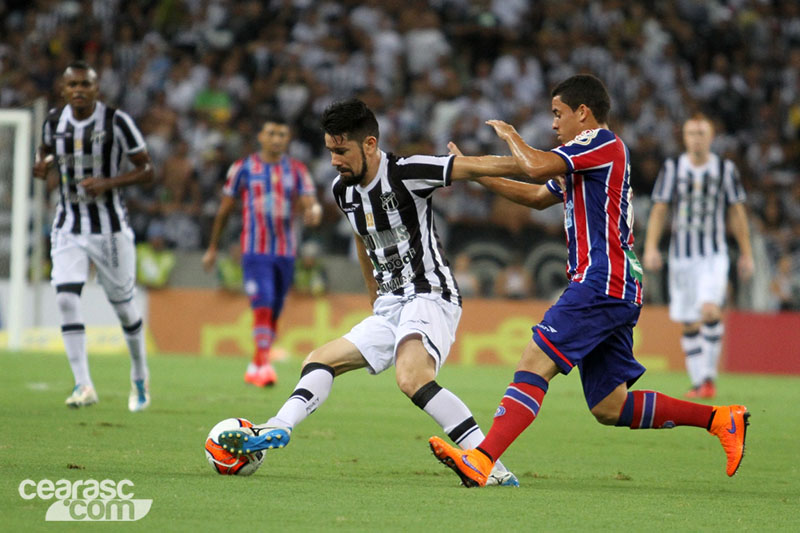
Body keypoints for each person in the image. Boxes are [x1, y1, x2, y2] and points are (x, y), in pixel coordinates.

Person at [428, 74, 750, 488]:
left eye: (557, 113)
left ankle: (482, 458)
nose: (553, 124)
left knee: (534, 361)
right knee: (609, 406)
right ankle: (720, 419)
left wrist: (510, 135)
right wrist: (476, 175)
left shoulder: (600, 142)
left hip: (601, 280)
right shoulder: (585, 156)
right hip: (616, 284)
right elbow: (536, 196)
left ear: (583, 113)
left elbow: (534, 165)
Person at [217, 98, 528, 485]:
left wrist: (543, 164)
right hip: (391, 303)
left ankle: (491, 466)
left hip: (430, 293)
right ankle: (278, 425)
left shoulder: (407, 172)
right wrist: (375, 298)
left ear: (369, 144)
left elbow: (478, 166)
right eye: (330, 151)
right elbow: (362, 240)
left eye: (341, 151)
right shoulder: (343, 190)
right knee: (319, 359)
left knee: (411, 377)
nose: (334, 161)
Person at [32, 61, 154, 411]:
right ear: (63, 89)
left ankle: (139, 374)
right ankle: (83, 384)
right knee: (65, 298)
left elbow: (147, 169)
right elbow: (45, 150)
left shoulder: (117, 121)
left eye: (85, 84)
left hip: (109, 228)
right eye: (73, 85)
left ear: (96, 88)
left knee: (124, 308)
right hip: (68, 223)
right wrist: (42, 164)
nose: (79, 90)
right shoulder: (53, 121)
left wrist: (108, 183)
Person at [202, 115, 323, 387]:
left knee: (275, 308)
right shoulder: (243, 168)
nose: (277, 139)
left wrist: (314, 211)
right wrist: (213, 247)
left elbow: (310, 201)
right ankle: (263, 365)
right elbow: (225, 209)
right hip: (255, 249)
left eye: (282, 135)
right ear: (260, 137)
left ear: (288, 139)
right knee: (264, 301)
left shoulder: (297, 170)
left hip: (286, 251)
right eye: (271, 134)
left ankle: (257, 363)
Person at [643, 114, 754, 399]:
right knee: (690, 321)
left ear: (711, 137)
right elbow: (659, 208)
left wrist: (746, 253)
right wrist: (651, 247)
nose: (696, 139)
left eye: (702, 133)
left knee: (709, 309)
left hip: (713, 255)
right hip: (681, 258)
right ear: (684, 138)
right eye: (692, 133)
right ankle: (698, 383)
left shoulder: (725, 169)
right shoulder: (673, 168)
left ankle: (707, 378)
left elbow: (737, 211)